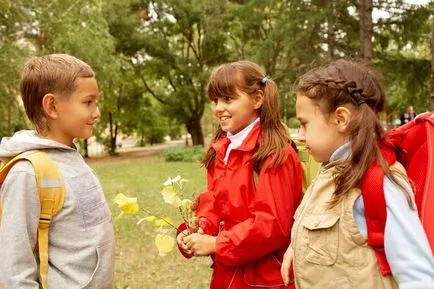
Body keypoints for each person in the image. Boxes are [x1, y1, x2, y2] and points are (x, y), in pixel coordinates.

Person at [281, 59, 434, 288]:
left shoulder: (379, 184)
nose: (300, 136)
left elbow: (419, 278)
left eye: (304, 124)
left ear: (340, 119)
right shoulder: (328, 172)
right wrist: (297, 247)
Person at [176, 60, 303, 288]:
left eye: (228, 99)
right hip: (228, 275)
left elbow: (272, 225)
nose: (218, 108)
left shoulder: (274, 153)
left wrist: (217, 244)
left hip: (266, 278)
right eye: (215, 100)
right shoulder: (221, 150)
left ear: (257, 99)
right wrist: (199, 229)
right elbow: (215, 202)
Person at [0, 54, 115, 289]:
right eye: (88, 102)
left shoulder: (70, 155)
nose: (97, 112)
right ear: (52, 106)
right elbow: (14, 271)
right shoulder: (28, 174)